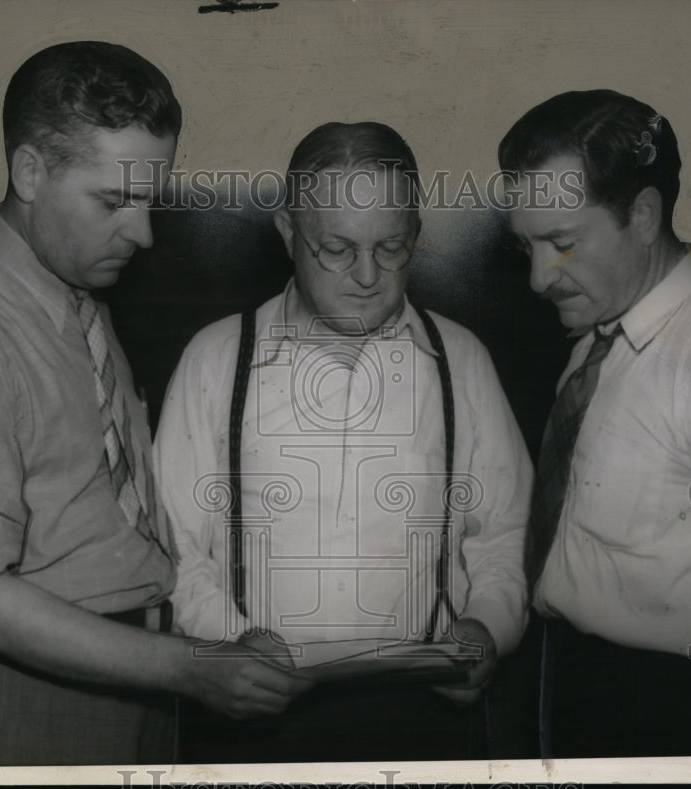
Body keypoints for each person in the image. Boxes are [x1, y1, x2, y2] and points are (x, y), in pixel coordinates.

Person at [0, 41, 308, 767]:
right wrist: (188, 668)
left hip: (130, 675)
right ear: (30, 172)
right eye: (113, 201)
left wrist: (207, 647)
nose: (141, 234)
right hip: (15, 704)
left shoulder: (73, 290)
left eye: (149, 202)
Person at [153, 121, 533, 762]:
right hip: (251, 721)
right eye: (336, 248)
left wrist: (484, 631)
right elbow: (175, 547)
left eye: (391, 248)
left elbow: (502, 537)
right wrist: (233, 643)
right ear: (287, 233)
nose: (366, 275)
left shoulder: (459, 360)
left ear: (416, 236)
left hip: (424, 722)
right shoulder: (218, 359)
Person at [497, 89, 691, 757]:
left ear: (642, 215)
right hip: (574, 680)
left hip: (675, 709)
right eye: (525, 245)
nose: (535, 278)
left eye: (559, 243)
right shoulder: (599, 329)